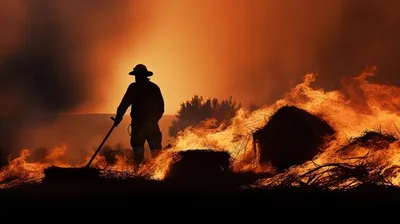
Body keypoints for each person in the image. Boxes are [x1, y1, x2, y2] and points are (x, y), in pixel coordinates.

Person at [114, 64, 164, 169]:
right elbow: (161, 107)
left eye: (138, 75)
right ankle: (147, 172)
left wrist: (119, 117)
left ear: (143, 76)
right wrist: (155, 119)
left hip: (142, 126)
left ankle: (143, 172)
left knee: (150, 152)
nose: (136, 78)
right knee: (150, 152)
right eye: (136, 75)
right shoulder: (152, 87)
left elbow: (124, 104)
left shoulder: (135, 87)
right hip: (147, 126)